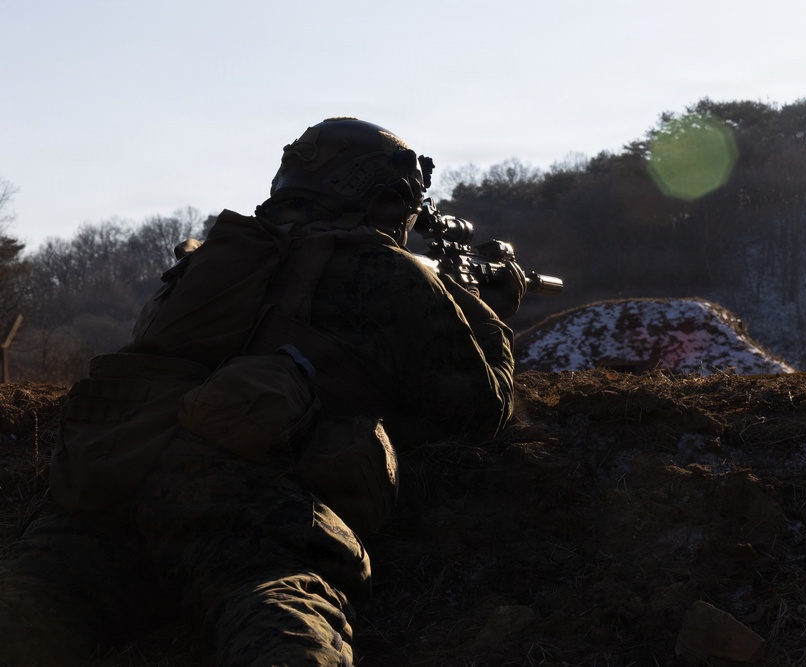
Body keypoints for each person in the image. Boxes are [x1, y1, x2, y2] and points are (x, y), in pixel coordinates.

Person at [0, 117, 525, 666]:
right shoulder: (388, 271)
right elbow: (480, 409)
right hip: (246, 505)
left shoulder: (208, 262)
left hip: (105, 483)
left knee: (33, 596)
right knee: (278, 605)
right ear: (386, 200)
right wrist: (482, 313)